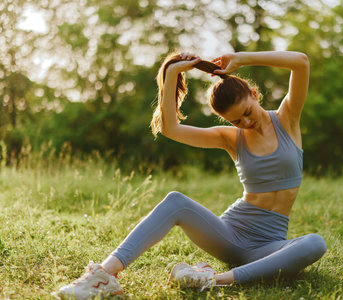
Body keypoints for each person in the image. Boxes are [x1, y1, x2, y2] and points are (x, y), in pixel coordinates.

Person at [54, 51, 327, 299]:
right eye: (236, 121)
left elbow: (301, 61)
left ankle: (211, 279)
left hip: (267, 245)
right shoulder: (231, 138)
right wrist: (172, 72)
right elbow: (170, 128)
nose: (246, 123)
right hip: (230, 235)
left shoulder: (287, 120)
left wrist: (241, 58)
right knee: (175, 201)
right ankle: (104, 275)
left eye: (247, 112)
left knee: (314, 243)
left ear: (254, 95)